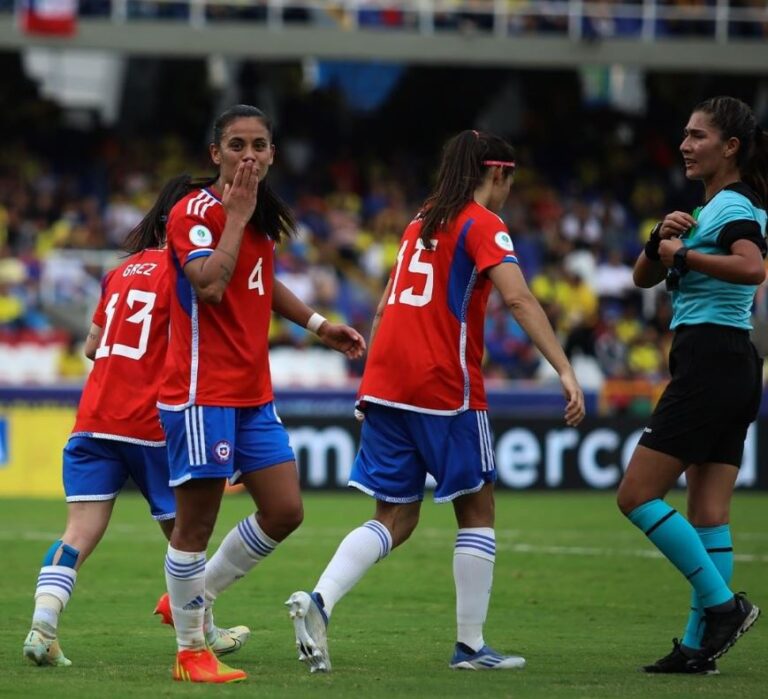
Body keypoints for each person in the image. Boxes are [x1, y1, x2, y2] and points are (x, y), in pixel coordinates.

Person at [286, 129, 585, 673]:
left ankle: (320, 601)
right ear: (496, 173)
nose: (508, 192)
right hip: (444, 385)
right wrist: (564, 368)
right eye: (509, 180)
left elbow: (381, 307)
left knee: (395, 515)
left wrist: (375, 371)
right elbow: (517, 297)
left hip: (385, 382)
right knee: (477, 507)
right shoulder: (482, 224)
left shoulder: (419, 222)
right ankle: (470, 646)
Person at [154, 104, 366, 684]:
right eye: (237, 145)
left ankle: (190, 599)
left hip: (251, 393)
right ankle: (191, 652)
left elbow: (258, 281)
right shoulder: (194, 213)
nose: (249, 155)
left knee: (284, 509)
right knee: (193, 526)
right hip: (202, 393)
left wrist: (320, 324)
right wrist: (236, 216)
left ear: (272, 153)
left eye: (259, 145)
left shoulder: (257, 217)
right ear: (215, 155)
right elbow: (210, 285)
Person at [617, 96, 766, 674]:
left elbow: (753, 268)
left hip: (708, 361)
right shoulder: (713, 208)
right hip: (733, 363)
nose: (684, 144)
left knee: (636, 495)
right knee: (709, 514)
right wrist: (660, 240)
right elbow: (642, 277)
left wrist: (687, 255)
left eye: (698, 136)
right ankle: (699, 648)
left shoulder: (732, 207)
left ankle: (723, 608)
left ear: (730, 148)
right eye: (684, 134)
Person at [22, 200, 176, 668]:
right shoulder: (187, 274)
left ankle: (42, 628)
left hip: (94, 418)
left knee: (77, 533)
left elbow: (91, 345)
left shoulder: (120, 271)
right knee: (186, 535)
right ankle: (203, 632)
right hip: (149, 423)